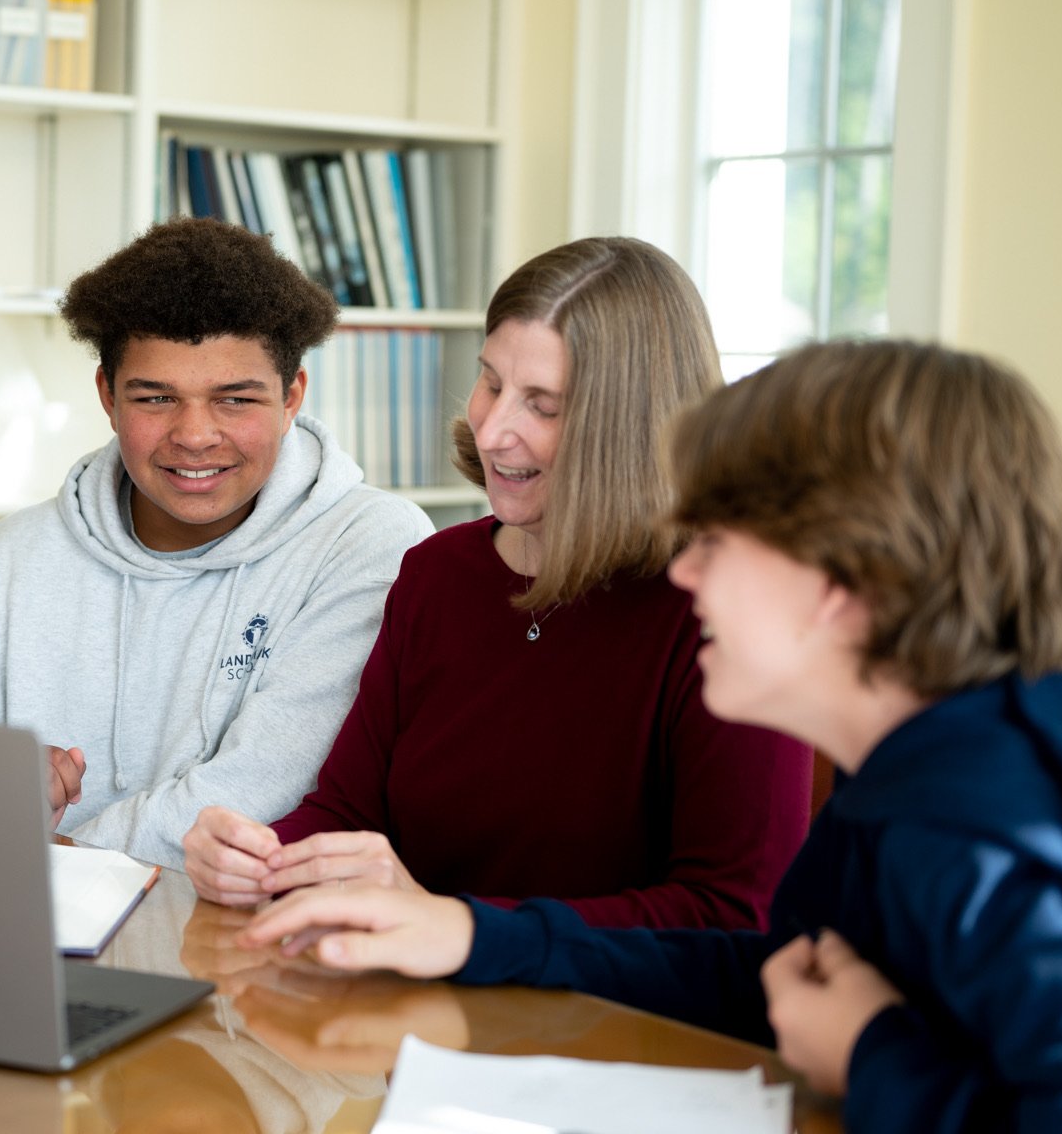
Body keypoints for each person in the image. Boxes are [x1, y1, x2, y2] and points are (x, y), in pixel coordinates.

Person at [239, 340, 1062, 1132]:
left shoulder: (1002, 815)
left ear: (837, 580)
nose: (686, 570)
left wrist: (872, 1054)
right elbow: (788, 980)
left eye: (715, 540)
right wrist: (474, 938)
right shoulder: (938, 753)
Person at [183, 237, 811, 928]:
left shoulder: (728, 615)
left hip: (618, 1030)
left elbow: (731, 916)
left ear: (628, 428)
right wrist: (261, 856)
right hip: (417, 1003)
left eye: (542, 405)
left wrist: (461, 929)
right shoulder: (437, 575)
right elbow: (349, 811)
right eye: (491, 382)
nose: (493, 430)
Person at [0, 218, 435, 868]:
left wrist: (48, 863)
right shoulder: (14, 557)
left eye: (234, 399)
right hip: (34, 935)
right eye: (156, 398)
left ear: (291, 397)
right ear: (107, 398)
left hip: (250, 943)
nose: (195, 435)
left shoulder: (371, 545)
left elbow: (261, 791)